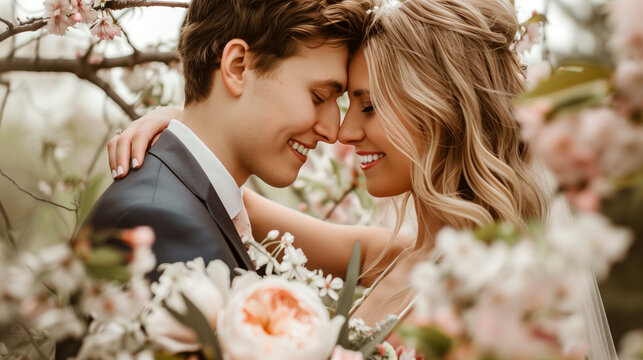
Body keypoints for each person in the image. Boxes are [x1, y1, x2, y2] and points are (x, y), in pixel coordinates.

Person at [110, 5, 617, 358]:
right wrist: (192, 117)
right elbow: (229, 198)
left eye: (369, 106)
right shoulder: (396, 255)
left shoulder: (499, 298)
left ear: (441, 112)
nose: (345, 132)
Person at [87, 0, 375, 280]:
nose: (332, 130)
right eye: (319, 97)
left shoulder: (202, 204)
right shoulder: (155, 221)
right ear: (238, 67)